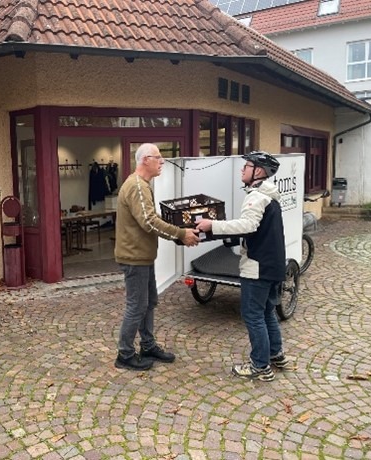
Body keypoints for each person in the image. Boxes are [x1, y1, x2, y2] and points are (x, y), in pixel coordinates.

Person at [195, 151, 291, 381]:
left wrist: (212, 225)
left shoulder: (256, 197)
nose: (242, 170)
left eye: (246, 166)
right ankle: (276, 354)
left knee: (253, 315)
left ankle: (260, 366)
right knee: (266, 312)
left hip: (257, 266)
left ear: (258, 171)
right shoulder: (269, 196)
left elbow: (248, 225)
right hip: (273, 265)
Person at [114, 143, 200, 371]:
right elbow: (149, 222)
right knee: (137, 306)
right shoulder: (137, 186)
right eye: (158, 157)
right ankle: (124, 354)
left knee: (148, 302)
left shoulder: (142, 185)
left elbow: (151, 217)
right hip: (134, 258)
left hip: (142, 256)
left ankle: (148, 345)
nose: (162, 161)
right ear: (145, 160)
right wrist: (181, 234)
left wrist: (179, 232)